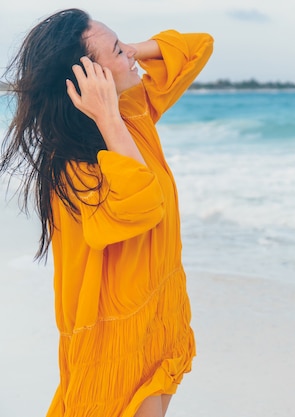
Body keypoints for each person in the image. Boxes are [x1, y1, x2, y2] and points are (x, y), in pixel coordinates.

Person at [0, 8, 213, 417]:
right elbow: (143, 205)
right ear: (88, 78)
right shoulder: (74, 165)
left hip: (156, 320)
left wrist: (131, 49)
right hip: (113, 343)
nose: (129, 56)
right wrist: (107, 116)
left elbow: (197, 46)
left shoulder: (134, 111)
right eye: (117, 50)